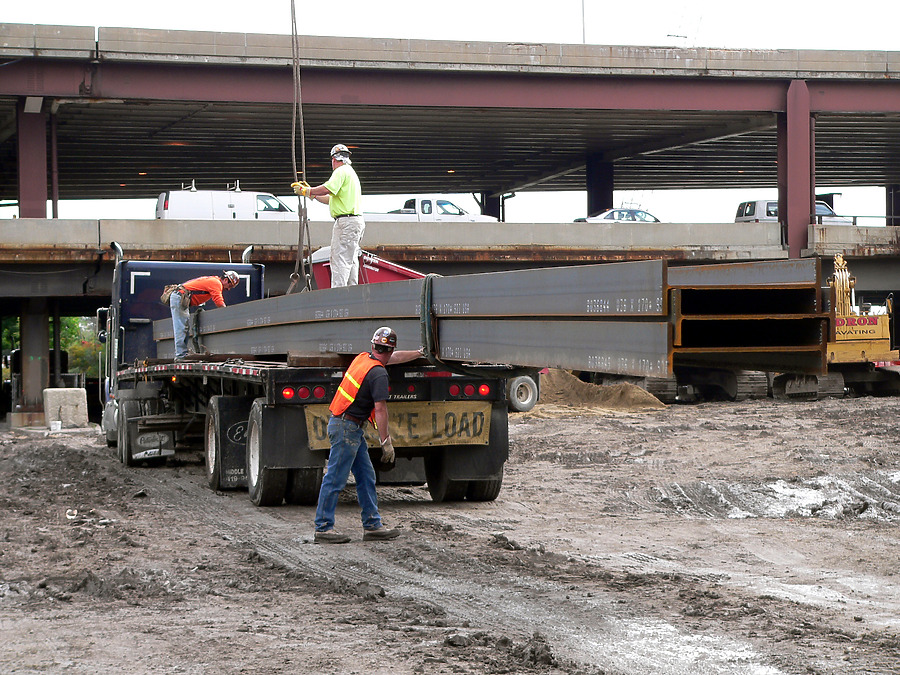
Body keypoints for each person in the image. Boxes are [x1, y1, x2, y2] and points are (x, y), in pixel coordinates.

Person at [314, 327, 424, 544]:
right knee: (335, 478)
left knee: (365, 476)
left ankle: (372, 525)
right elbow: (381, 409)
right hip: (348, 429)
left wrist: (419, 353)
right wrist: (386, 443)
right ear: (390, 350)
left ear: (373, 346)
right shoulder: (379, 374)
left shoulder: (364, 359)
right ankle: (323, 528)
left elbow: (393, 358)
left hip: (346, 426)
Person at [292, 143, 364, 288]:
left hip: (346, 223)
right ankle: (351, 292)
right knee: (350, 260)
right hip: (354, 222)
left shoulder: (340, 172)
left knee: (339, 260)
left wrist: (308, 191)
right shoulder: (350, 173)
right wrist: (311, 194)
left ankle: (338, 296)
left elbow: (326, 188)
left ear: (333, 159)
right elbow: (330, 199)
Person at [169, 270, 239, 361]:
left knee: (184, 327)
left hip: (180, 297)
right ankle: (180, 356)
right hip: (180, 297)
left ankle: (182, 354)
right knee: (181, 327)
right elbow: (219, 302)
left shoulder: (214, 280)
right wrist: (228, 314)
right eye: (230, 286)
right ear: (226, 280)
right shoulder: (216, 283)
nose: (228, 289)